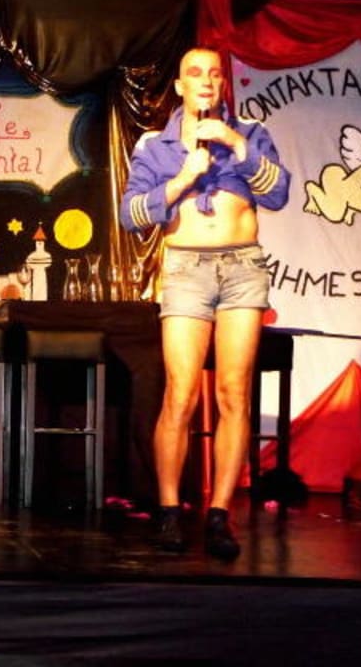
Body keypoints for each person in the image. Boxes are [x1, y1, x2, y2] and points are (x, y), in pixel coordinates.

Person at [120, 47, 290, 559]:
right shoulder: (156, 144)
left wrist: (236, 144)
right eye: (195, 73)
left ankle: (219, 515)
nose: (207, 81)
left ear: (222, 85)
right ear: (179, 85)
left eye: (215, 74)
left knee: (234, 392)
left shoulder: (251, 132)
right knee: (181, 393)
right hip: (186, 269)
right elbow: (130, 215)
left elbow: (279, 193)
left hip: (242, 267)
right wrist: (181, 181)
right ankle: (170, 511)